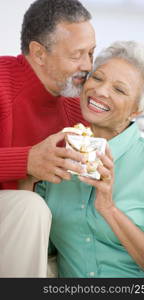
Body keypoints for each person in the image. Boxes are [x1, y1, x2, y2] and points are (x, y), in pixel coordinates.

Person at [36, 40, 144, 278]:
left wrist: (108, 208)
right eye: (97, 78)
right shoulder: (59, 155)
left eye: (119, 89)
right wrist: (30, 173)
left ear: (137, 110)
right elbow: (38, 250)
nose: (101, 91)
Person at [0, 0, 96, 277]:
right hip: (20, 216)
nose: (87, 65)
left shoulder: (79, 106)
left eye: (91, 52)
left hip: (36, 235)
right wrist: (26, 161)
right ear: (39, 53)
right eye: (76, 55)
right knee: (28, 208)